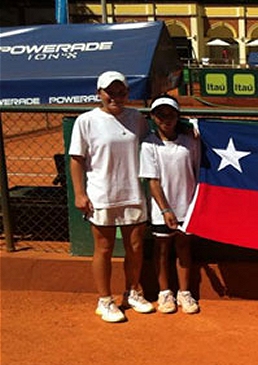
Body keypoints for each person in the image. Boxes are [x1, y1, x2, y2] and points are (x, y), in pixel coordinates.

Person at [69, 71, 155, 323]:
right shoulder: (86, 121)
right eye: (110, 92)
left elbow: (152, 141)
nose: (116, 97)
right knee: (104, 249)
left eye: (121, 92)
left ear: (127, 93)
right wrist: (79, 193)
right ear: (100, 93)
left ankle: (132, 292)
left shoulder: (136, 118)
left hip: (132, 193)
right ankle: (105, 300)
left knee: (136, 247)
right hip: (101, 194)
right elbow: (76, 159)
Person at [139, 95, 201, 314]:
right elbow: (152, 181)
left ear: (178, 116)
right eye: (161, 114)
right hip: (162, 210)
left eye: (171, 114)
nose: (166, 119)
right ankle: (165, 292)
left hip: (187, 205)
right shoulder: (149, 144)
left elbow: (196, 170)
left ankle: (185, 292)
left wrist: (192, 124)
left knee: (184, 247)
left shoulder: (190, 141)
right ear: (153, 117)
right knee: (162, 250)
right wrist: (165, 209)